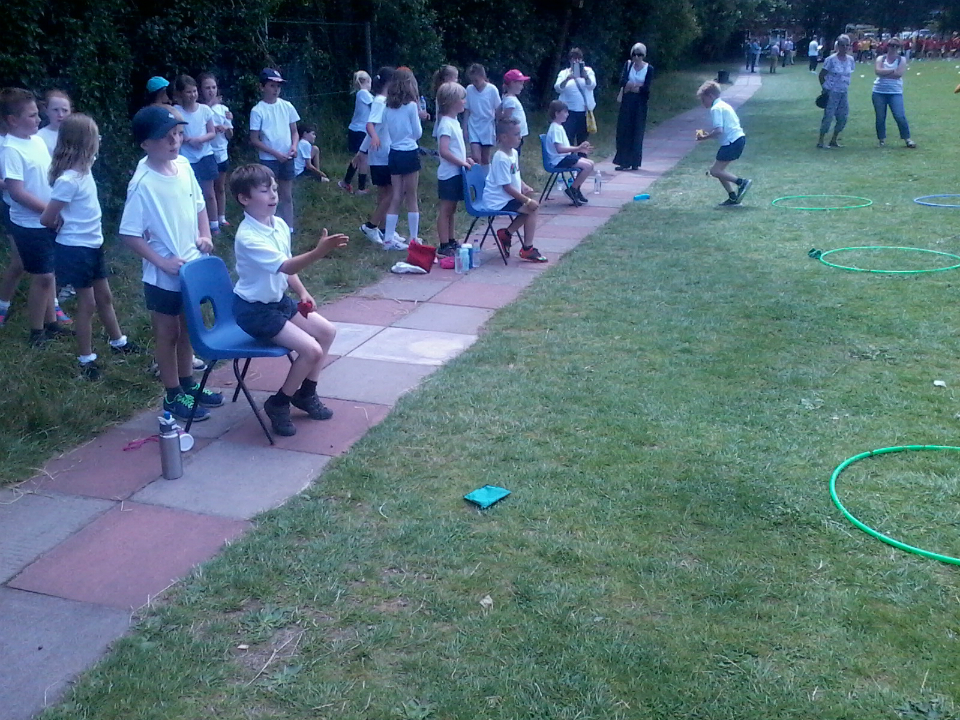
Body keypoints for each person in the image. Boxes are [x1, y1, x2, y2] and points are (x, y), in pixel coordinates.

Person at [119, 105, 222, 422]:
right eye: (165, 137)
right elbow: (129, 234)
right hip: (162, 277)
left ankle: (189, 385)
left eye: (177, 134)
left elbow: (200, 205)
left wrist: (205, 235)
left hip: (191, 268)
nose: (174, 141)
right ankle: (172, 394)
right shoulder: (143, 183)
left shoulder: (184, 166)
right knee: (167, 333)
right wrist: (161, 262)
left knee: (187, 329)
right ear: (145, 144)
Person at [230, 164, 347, 437]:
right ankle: (279, 402)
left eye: (273, 188)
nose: (273, 194)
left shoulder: (279, 225)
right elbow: (287, 265)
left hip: (277, 302)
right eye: (264, 190)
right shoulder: (248, 237)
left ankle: (306, 394)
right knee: (311, 351)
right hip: (254, 311)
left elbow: (287, 269)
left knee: (327, 332)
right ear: (244, 199)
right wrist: (319, 252)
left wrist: (303, 292)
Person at [39, 113, 140, 379]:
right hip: (76, 249)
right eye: (96, 138)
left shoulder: (85, 169)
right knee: (88, 304)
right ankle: (86, 359)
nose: (99, 142)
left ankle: (118, 341)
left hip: (93, 245)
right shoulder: (68, 180)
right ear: (85, 143)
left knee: (104, 297)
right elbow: (47, 218)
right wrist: (60, 222)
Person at [0, 87, 72, 346]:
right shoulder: (11, 150)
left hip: (47, 218)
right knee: (42, 277)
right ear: (12, 120)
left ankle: (51, 323)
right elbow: (17, 192)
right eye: (31, 116)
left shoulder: (37, 141)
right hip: (29, 224)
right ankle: (36, 331)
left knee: (49, 272)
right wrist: (47, 210)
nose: (39, 119)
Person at [482, 117, 546, 263]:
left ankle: (507, 233)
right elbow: (506, 186)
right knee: (532, 208)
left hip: (508, 197)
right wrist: (527, 200)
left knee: (530, 209)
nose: (520, 137)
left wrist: (523, 186)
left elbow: (514, 175)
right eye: (516, 134)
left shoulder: (513, 153)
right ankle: (527, 248)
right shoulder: (501, 158)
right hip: (497, 200)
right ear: (504, 137)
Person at [249, 68, 300, 230]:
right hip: (268, 159)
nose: (276, 89)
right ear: (262, 87)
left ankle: (289, 228)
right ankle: (270, 227)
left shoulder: (287, 106)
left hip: (287, 157)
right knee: (269, 196)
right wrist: (276, 154)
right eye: (272, 85)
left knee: (287, 195)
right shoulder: (258, 110)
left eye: (278, 86)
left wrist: (294, 146)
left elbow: (295, 132)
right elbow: (254, 140)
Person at [358, 67, 403, 249]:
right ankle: (371, 226)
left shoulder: (383, 101)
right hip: (382, 154)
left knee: (385, 193)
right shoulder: (380, 101)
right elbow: (370, 125)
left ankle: (385, 230)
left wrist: (363, 150)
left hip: (382, 153)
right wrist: (374, 138)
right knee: (393, 193)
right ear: (390, 82)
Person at [173, 75, 219, 235]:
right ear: (180, 94)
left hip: (206, 155)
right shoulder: (176, 112)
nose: (192, 95)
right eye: (188, 92)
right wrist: (188, 140)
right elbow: (175, 134)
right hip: (187, 158)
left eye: (194, 91)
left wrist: (200, 139)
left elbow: (212, 132)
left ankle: (214, 224)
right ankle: (194, 226)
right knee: (190, 194)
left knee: (209, 193)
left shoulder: (205, 110)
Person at [383, 67, 422, 248]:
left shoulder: (387, 107)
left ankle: (388, 238)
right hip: (409, 152)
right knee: (411, 196)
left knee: (396, 196)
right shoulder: (412, 106)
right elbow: (418, 132)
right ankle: (414, 238)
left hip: (394, 152)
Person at [695, 81, 752, 206]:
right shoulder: (724, 105)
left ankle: (742, 182)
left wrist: (704, 137)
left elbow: (719, 130)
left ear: (710, 96)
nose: (703, 103)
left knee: (715, 171)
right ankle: (732, 197)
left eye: (703, 99)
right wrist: (709, 135)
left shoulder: (716, 109)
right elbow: (723, 130)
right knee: (719, 170)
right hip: (737, 139)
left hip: (732, 142)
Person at [435, 82, 473, 257]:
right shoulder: (445, 124)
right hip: (449, 174)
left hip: (457, 172)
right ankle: (443, 244)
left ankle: (451, 240)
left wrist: (464, 160)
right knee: (446, 209)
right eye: (462, 99)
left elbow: (456, 148)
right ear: (452, 101)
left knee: (453, 209)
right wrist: (461, 162)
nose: (464, 102)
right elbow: (444, 150)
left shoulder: (454, 122)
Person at [198, 72, 233, 229]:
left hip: (221, 152)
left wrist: (225, 127)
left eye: (213, 87)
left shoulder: (223, 109)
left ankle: (221, 217)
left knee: (220, 187)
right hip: (206, 154)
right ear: (201, 90)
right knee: (208, 190)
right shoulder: (199, 109)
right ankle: (208, 221)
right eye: (207, 88)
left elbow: (231, 134)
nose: (211, 91)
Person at [545, 100, 594, 206]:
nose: (567, 114)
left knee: (590, 163)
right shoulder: (555, 129)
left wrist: (580, 149)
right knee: (587, 166)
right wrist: (578, 148)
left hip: (564, 158)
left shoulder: (559, 127)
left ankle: (576, 189)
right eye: (565, 112)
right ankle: (572, 189)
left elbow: (564, 148)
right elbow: (560, 149)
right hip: (558, 160)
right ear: (557, 113)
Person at [613, 42, 653, 171]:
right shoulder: (628, 65)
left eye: (639, 55)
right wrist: (632, 85)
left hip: (640, 103)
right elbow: (622, 81)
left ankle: (635, 162)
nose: (636, 58)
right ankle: (623, 161)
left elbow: (646, 88)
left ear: (644, 56)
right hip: (627, 101)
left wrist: (633, 87)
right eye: (634, 55)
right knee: (624, 130)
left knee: (637, 131)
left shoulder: (649, 69)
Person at [873, 38, 916, 149]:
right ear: (887, 46)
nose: (893, 48)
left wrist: (884, 72)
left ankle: (907, 138)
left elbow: (899, 74)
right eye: (891, 45)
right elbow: (878, 71)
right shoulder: (881, 58)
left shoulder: (901, 59)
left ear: (899, 47)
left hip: (895, 92)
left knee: (899, 115)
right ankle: (881, 139)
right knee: (880, 117)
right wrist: (892, 71)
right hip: (879, 91)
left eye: (896, 46)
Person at [818, 34, 855, 149]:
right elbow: (821, 75)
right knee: (828, 117)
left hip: (843, 91)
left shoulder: (850, 60)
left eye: (847, 45)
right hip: (832, 92)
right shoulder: (831, 60)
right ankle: (821, 140)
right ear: (838, 46)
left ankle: (834, 139)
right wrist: (825, 88)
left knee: (843, 117)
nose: (845, 48)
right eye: (842, 45)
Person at [554, 48, 596, 149]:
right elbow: (557, 88)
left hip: (584, 112)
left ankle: (582, 160)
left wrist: (586, 77)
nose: (576, 61)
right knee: (568, 138)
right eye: (574, 58)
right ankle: (571, 160)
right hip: (568, 112)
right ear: (570, 60)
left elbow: (592, 86)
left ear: (582, 60)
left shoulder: (588, 71)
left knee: (583, 140)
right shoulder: (564, 73)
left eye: (578, 58)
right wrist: (567, 78)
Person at [339, 70, 372, 195]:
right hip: (360, 131)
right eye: (370, 82)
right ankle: (361, 188)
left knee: (360, 158)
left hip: (360, 130)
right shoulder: (363, 93)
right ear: (366, 81)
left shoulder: (362, 94)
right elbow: (376, 105)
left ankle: (346, 182)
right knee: (363, 159)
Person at [464, 64, 500, 165]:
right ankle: (476, 177)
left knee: (485, 157)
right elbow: (467, 110)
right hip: (474, 125)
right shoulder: (469, 89)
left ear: (483, 77)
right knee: (476, 157)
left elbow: (497, 110)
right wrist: (465, 128)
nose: (474, 83)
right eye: (472, 81)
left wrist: (499, 129)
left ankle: (486, 178)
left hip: (487, 126)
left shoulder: (492, 90)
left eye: (476, 80)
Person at [500, 69, 530, 155]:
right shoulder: (510, 100)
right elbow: (506, 118)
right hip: (513, 134)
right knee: (513, 154)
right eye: (520, 84)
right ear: (512, 83)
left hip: (517, 134)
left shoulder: (510, 98)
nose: (522, 87)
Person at [37, 90, 72, 155]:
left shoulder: (76, 134)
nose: (60, 115)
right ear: (47, 111)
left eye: (65, 110)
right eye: (55, 110)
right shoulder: (39, 137)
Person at [431, 65, 459, 140]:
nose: (457, 80)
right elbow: (441, 112)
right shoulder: (443, 93)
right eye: (455, 77)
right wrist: (441, 128)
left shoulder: (445, 92)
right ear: (447, 78)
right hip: (445, 127)